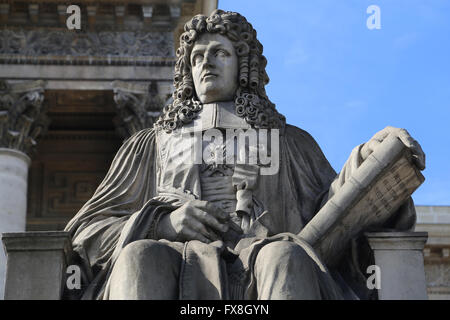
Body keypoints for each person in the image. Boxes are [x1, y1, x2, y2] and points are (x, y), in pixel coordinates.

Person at [64, 10, 425, 300]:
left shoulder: (288, 142)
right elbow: (87, 231)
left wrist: (367, 159)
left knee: (285, 256)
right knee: (140, 257)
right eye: (197, 57)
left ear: (243, 64)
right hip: (177, 260)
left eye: (220, 53)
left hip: (262, 258)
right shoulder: (150, 145)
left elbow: (330, 210)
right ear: (187, 71)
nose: (206, 63)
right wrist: (162, 224)